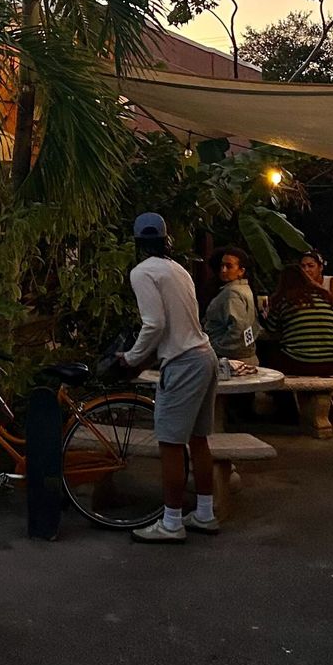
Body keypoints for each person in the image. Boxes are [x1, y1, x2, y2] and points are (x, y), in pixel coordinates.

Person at [117, 212, 220, 544]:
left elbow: (154, 323)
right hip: (205, 356)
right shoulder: (179, 270)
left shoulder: (142, 272)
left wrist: (131, 358)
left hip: (182, 362)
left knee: (171, 444)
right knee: (199, 440)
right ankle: (204, 514)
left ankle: (171, 523)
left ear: (138, 243)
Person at [259, 260, 333, 376]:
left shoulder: (284, 300)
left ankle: (279, 393)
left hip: (300, 363)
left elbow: (271, 329)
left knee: (266, 350)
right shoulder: (325, 297)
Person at [202, 247, 258, 373]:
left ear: (241, 271)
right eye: (222, 266)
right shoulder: (245, 289)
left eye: (229, 266)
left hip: (231, 359)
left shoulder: (232, 293)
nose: (223, 270)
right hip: (245, 355)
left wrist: (218, 346)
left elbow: (239, 327)